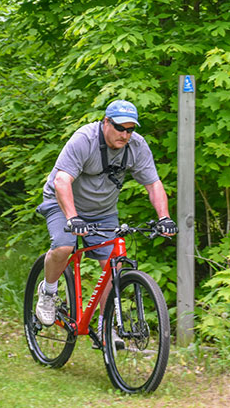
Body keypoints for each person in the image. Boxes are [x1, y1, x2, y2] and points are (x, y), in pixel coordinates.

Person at [35, 100, 178, 342]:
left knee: (114, 264)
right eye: (120, 128)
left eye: (130, 129)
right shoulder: (85, 139)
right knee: (64, 246)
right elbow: (62, 181)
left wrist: (164, 218)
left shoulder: (137, 146)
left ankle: (104, 324)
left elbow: (153, 184)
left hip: (102, 211)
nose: (125, 135)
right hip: (63, 202)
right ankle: (48, 292)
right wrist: (72, 218)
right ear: (105, 123)